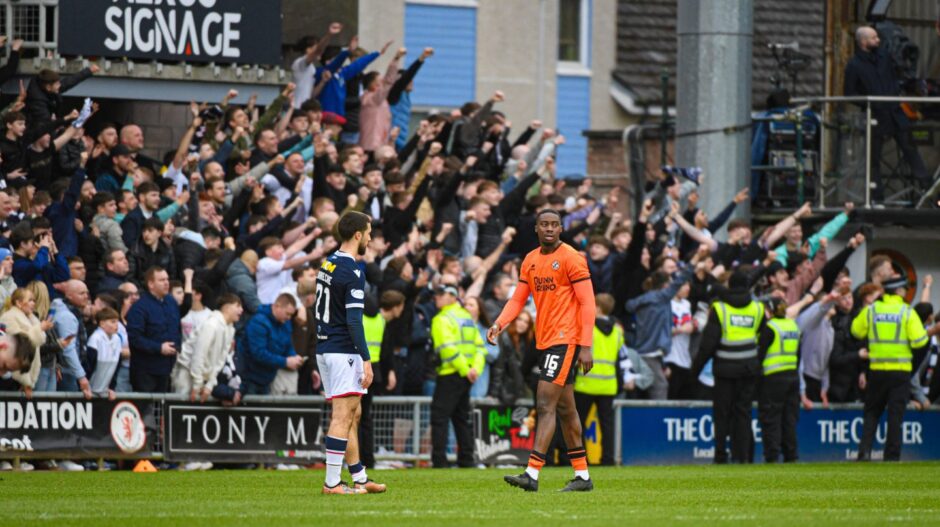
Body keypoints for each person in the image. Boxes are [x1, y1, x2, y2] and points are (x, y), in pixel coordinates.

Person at [489, 208, 596, 492]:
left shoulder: (572, 258)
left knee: (545, 404)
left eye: (554, 224)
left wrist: (586, 345)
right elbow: (518, 299)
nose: (549, 228)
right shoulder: (530, 260)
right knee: (565, 408)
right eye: (544, 224)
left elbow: (588, 302)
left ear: (561, 228)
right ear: (536, 229)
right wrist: (500, 323)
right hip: (546, 340)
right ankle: (583, 476)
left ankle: (532, 473)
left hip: (566, 339)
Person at [315, 210, 385, 495]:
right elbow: (355, 320)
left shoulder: (328, 263)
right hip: (343, 349)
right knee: (343, 416)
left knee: (351, 415)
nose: (370, 237)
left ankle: (359, 476)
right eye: (368, 232)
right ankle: (332, 483)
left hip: (325, 347)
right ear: (358, 235)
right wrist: (366, 360)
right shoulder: (352, 270)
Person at [843, 26, 931, 202]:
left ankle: (930, 196)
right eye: (874, 38)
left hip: (896, 114)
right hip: (875, 116)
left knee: (912, 153)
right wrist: (869, 102)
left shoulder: (885, 57)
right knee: (873, 160)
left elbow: (901, 75)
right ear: (863, 42)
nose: (878, 40)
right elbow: (849, 93)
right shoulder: (854, 65)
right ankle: (877, 200)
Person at [851, 275, 929, 461]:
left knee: (871, 412)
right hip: (900, 372)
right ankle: (891, 457)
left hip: (877, 370)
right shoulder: (907, 312)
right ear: (899, 291)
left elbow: (855, 331)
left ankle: (864, 452)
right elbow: (920, 341)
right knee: (895, 416)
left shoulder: (871, 310)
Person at [692, 271, 766, 464]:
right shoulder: (758, 308)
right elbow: (764, 339)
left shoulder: (720, 309)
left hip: (724, 369)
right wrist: (756, 362)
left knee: (722, 413)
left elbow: (708, 344)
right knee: (743, 413)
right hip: (748, 369)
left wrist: (695, 370)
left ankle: (720, 456)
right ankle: (742, 457)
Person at [429, 282, 487, 468]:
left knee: (439, 417)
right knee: (461, 419)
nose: (436, 297)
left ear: (453, 297)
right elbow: (480, 348)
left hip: (450, 374)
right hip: (466, 376)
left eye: (441, 293)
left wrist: (464, 369)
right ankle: (467, 459)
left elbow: (447, 349)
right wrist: (474, 370)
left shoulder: (442, 318)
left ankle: (440, 460)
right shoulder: (467, 318)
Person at [573, 293, 622, 466]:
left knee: (579, 424)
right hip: (608, 385)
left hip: (586, 383)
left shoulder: (588, 328)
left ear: (598, 308)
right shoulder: (617, 331)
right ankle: (607, 459)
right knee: (607, 426)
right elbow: (619, 358)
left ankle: (582, 459)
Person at [359, 289, 405, 469]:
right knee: (366, 419)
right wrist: (390, 371)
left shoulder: (360, 318)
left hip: (356, 370)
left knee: (351, 417)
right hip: (374, 373)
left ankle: (351, 460)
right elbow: (385, 352)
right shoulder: (381, 322)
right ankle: (367, 460)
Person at [173, 294, 242, 401]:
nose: (241, 310)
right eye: (237, 306)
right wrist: (198, 384)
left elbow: (221, 360)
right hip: (186, 370)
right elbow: (199, 354)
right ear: (226, 307)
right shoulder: (211, 324)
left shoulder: (230, 329)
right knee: (181, 407)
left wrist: (210, 385)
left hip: (203, 376)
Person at [757, 299, 801, 463]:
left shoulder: (770, 327)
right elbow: (799, 354)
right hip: (792, 376)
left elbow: (760, 355)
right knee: (789, 419)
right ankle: (791, 455)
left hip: (773, 378)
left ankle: (772, 455)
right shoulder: (793, 326)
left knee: (771, 418)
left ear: (769, 310)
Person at [126, 266, 181, 393]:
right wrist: (159, 348)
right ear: (151, 284)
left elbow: (176, 328)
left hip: (168, 368)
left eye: (167, 279)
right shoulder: (139, 308)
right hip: (146, 371)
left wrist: (178, 346)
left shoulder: (171, 302)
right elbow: (135, 338)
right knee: (146, 410)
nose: (167, 283)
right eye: (161, 280)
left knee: (163, 410)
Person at [241, 293, 300, 395]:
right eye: (287, 313)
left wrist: (294, 357)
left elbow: (288, 345)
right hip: (250, 378)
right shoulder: (258, 322)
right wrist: (285, 362)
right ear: (277, 306)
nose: (289, 318)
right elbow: (258, 353)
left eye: (291, 315)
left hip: (267, 379)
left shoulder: (285, 323)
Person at [86, 307, 122, 398]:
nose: (116, 325)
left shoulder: (117, 339)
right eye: (113, 322)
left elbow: (116, 367)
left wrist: (111, 387)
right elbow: (89, 365)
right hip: (90, 389)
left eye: (117, 322)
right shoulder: (95, 338)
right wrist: (85, 387)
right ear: (102, 323)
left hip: (105, 390)